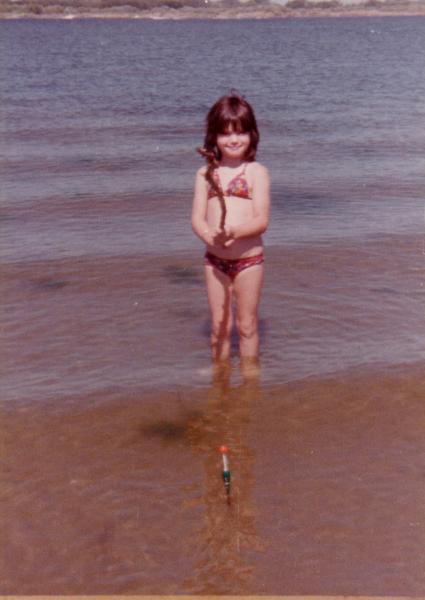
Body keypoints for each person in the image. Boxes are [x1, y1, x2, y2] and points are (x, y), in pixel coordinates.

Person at [191, 93, 270, 369]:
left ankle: (250, 381)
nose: (233, 140)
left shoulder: (256, 172)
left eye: (240, 132)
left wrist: (234, 231)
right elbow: (196, 218)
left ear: (252, 135)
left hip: (249, 261)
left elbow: (262, 221)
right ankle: (219, 381)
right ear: (214, 137)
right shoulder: (205, 174)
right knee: (219, 326)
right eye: (225, 133)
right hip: (215, 262)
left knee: (246, 326)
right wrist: (208, 236)